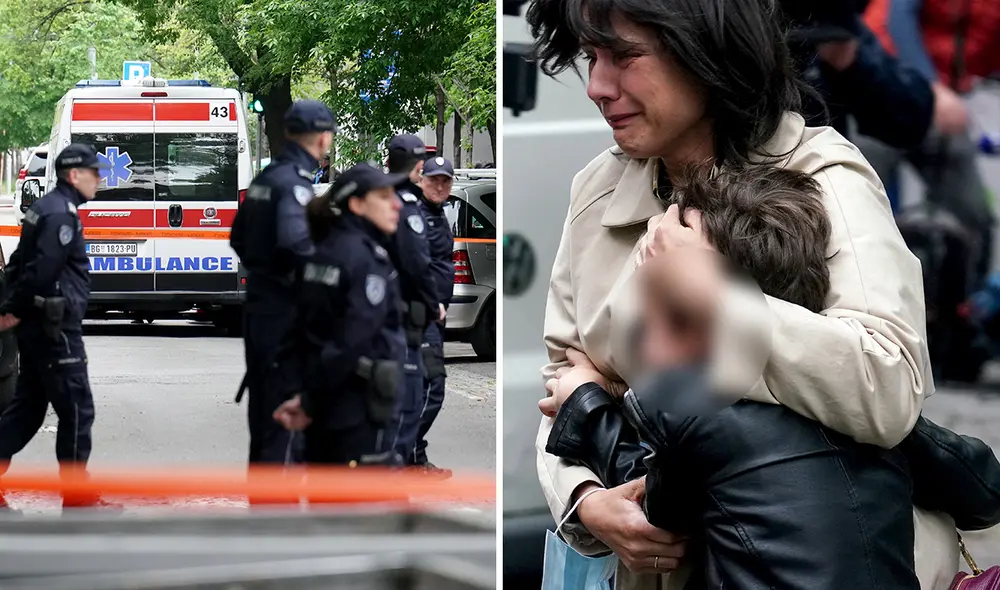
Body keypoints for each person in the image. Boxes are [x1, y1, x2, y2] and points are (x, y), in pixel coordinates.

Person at [524, 0, 958, 588]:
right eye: (590, 57)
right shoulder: (598, 190)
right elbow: (561, 386)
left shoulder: (825, 175)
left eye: (625, 56)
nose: (598, 86)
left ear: (706, 52)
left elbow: (889, 381)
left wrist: (716, 304)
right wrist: (587, 502)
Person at [541, 164, 1000, 588]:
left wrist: (583, 397)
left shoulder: (692, 412)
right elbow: (983, 487)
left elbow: (650, 497)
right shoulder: (855, 407)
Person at [0, 144, 119, 510]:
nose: (100, 178)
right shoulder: (61, 214)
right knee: (77, 410)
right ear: (74, 175)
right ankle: (77, 496)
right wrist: (16, 309)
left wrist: (12, 308)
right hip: (55, 330)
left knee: (27, 410)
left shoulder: (44, 208)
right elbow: (42, 269)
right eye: (94, 172)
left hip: (40, 327)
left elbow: (18, 263)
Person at [271, 164, 406, 466]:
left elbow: (297, 334)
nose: (396, 203)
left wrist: (302, 396)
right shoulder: (366, 260)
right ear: (357, 204)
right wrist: (308, 402)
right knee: (360, 507)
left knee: (326, 503)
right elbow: (351, 341)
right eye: (384, 197)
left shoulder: (321, 254)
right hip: (357, 411)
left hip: (324, 410)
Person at [229, 99, 337, 469]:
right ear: (322, 139)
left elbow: (238, 239)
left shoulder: (264, 180)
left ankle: (264, 517)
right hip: (286, 322)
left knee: (264, 426)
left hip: (261, 312)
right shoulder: (294, 186)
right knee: (285, 432)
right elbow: (298, 247)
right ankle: (279, 520)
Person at [861, 0, 1000, 284]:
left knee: (974, 215)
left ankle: (968, 308)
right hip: (880, 88)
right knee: (863, 205)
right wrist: (933, 86)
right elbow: (899, 17)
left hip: (941, 102)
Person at [383, 135, 438, 465]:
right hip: (406, 315)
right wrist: (434, 305)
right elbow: (418, 264)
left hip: (379, 313)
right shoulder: (407, 204)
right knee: (408, 397)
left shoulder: (378, 196)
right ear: (418, 166)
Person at [413, 156, 456, 476]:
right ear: (421, 180)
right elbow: (416, 267)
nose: (440, 186)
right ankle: (406, 452)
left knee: (422, 387)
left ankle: (412, 455)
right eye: (434, 180)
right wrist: (431, 304)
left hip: (434, 316)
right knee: (433, 386)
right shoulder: (416, 217)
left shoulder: (439, 215)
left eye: (445, 181)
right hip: (422, 315)